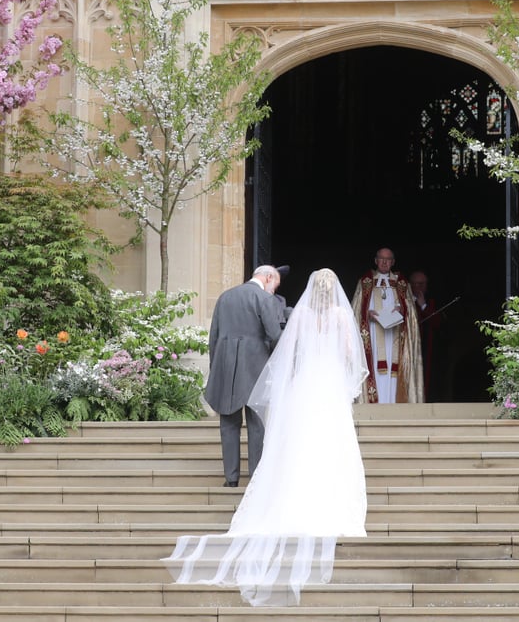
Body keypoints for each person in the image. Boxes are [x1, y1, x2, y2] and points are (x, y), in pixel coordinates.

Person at [164, 268, 369, 606]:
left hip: (304, 381)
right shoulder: (337, 315)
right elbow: (349, 352)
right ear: (334, 292)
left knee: (294, 437)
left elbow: (285, 346)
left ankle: (241, 478)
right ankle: (326, 488)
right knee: (329, 440)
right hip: (328, 382)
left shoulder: (296, 312)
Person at [204, 265, 283, 488]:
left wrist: (215, 367)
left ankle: (231, 478)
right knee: (257, 424)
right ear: (268, 277)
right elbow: (275, 335)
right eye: (275, 285)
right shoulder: (264, 299)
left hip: (225, 366)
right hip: (256, 368)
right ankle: (255, 478)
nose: (274, 290)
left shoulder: (224, 297)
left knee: (228, 423)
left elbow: (214, 337)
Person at [351, 247, 424, 404]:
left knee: (393, 369)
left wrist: (402, 309)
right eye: (381, 259)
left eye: (388, 259)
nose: (384, 262)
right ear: (376, 260)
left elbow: (411, 311)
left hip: (394, 336)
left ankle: (393, 403)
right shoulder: (365, 282)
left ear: (393, 262)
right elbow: (356, 310)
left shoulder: (402, 284)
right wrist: (366, 314)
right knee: (375, 367)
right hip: (371, 334)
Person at [409, 270, 443, 399]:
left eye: (421, 284)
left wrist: (423, 305)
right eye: (415, 284)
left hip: (429, 348)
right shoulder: (404, 300)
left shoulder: (432, 301)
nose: (418, 288)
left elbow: (438, 323)